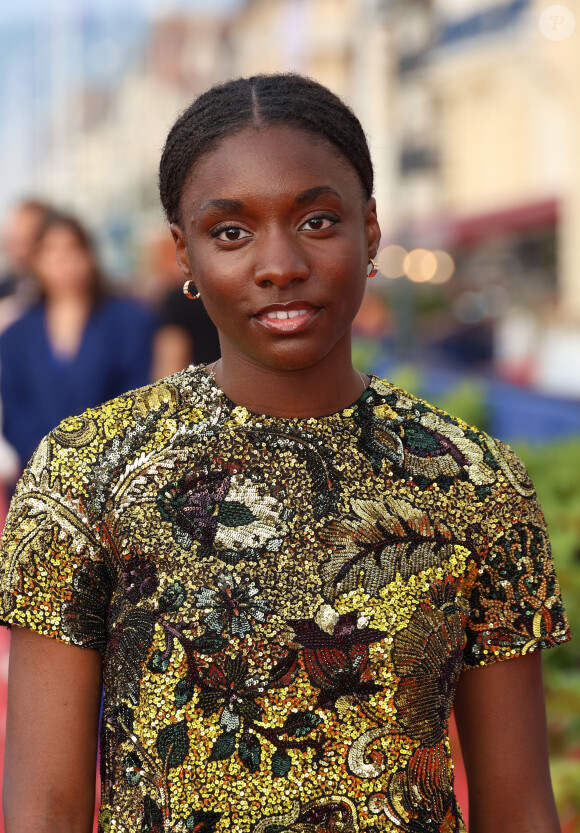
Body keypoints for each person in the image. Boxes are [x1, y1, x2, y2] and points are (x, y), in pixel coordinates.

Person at [0, 74, 571, 833]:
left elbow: (520, 806)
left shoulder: (476, 480)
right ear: (185, 254)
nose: (280, 264)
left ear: (371, 231)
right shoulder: (84, 473)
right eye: (231, 231)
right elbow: (46, 807)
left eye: (318, 220)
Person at [0, 210, 156, 469]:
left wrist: (91, 456)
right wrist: (51, 459)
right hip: (40, 476)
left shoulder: (130, 320)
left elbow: (137, 393)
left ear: (89, 255)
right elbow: (16, 413)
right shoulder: (16, 335)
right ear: (35, 261)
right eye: (50, 250)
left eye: (72, 248)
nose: (62, 260)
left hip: (112, 469)